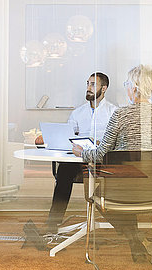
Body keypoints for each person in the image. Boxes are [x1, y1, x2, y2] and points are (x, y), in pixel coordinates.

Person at [72, 64, 152, 262]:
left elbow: (100, 155)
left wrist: (83, 153)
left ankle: (135, 238)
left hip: (123, 190)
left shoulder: (121, 114)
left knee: (100, 193)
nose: (126, 88)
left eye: (127, 84)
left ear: (134, 88)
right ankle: (137, 242)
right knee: (125, 181)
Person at [45, 72, 117, 233]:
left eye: (93, 84)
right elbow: (69, 137)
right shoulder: (78, 113)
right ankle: (53, 222)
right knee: (64, 170)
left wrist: (99, 143)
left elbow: (116, 141)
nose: (88, 88)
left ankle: (122, 224)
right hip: (81, 160)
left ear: (103, 89)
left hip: (103, 161)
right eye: (87, 84)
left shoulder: (113, 112)